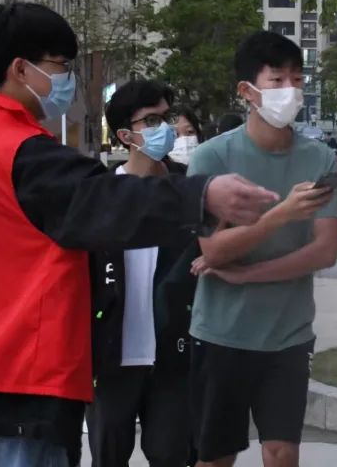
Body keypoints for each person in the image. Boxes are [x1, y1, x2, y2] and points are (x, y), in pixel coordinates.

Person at [0, 3, 277, 467]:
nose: (67, 79)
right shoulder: (24, 154)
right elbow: (106, 200)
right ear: (20, 69)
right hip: (20, 393)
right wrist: (203, 195)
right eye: (60, 66)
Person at [185, 30, 337, 467]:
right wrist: (280, 215)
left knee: (281, 451)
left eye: (297, 79)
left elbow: (324, 251)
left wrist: (247, 274)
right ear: (247, 91)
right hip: (221, 334)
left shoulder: (319, 159)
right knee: (216, 456)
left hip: (289, 334)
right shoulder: (211, 159)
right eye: (277, 80)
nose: (290, 90)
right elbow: (213, 251)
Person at [85, 80, 200, 467]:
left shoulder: (187, 189)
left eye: (167, 117)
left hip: (172, 355)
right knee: (109, 456)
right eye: (151, 121)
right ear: (124, 135)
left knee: (171, 454)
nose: (164, 128)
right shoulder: (101, 194)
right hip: (113, 356)